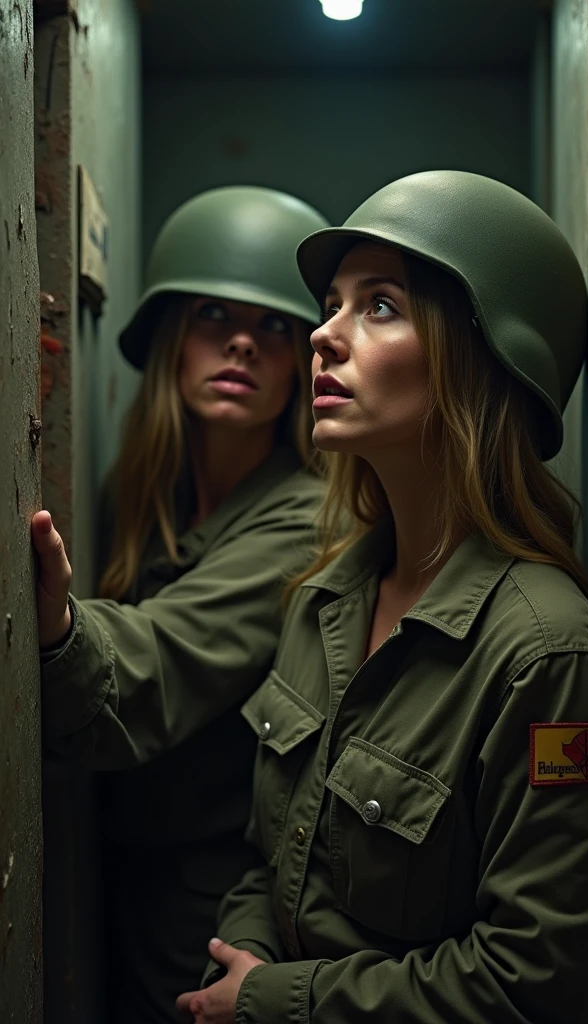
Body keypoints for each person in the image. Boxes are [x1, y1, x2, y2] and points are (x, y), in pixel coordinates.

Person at [176, 171, 588, 1024]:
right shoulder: (326, 597)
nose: (322, 336)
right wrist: (241, 967)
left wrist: (272, 1002)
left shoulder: (547, 655)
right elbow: (271, 861)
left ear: (482, 353)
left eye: (378, 306)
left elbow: (532, 983)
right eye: (333, 304)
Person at [31, 185, 329, 1024]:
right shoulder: (140, 497)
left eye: (276, 325)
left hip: (219, 911)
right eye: (211, 315)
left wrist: (55, 625)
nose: (242, 342)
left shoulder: (310, 518)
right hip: (122, 883)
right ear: (171, 340)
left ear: (307, 357)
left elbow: (157, 661)